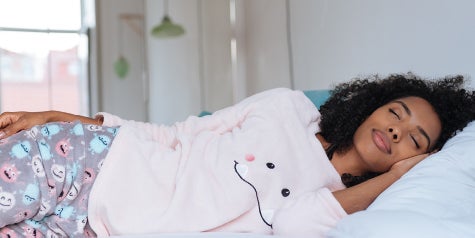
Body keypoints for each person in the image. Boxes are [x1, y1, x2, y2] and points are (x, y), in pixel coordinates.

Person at [0, 73, 473, 237]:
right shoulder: (288, 107)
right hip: (91, 160)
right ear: (375, 103)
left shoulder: (338, 207)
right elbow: (177, 133)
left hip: (93, 226)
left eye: (415, 139)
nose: (396, 128)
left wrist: (397, 180)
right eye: (397, 111)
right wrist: (64, 117)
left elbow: (289, 226)